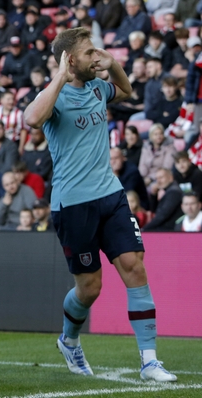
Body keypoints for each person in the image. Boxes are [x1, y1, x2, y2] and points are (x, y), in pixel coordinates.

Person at [24, 27, 177, 382]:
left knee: (134, 266)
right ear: (70, 59)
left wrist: (114, 63)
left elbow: (126, 90)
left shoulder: (96, 87)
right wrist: (60, 76)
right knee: (90, 288)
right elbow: (32, 120)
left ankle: (150, 361)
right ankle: (70, 339)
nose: (97, 56)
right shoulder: (53, 96)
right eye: (90, 52)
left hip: (111, 194)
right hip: (73, 204)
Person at [139, 123, 176, 187]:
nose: (159, 136)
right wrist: (142, 178)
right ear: (151, 136)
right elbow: (142, 165)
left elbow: (166, 168)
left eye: (161, 134)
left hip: (160, 178)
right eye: (156, 134)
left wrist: (150, 178)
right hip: (145, 178)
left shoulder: (170, 147)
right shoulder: (146, 147)